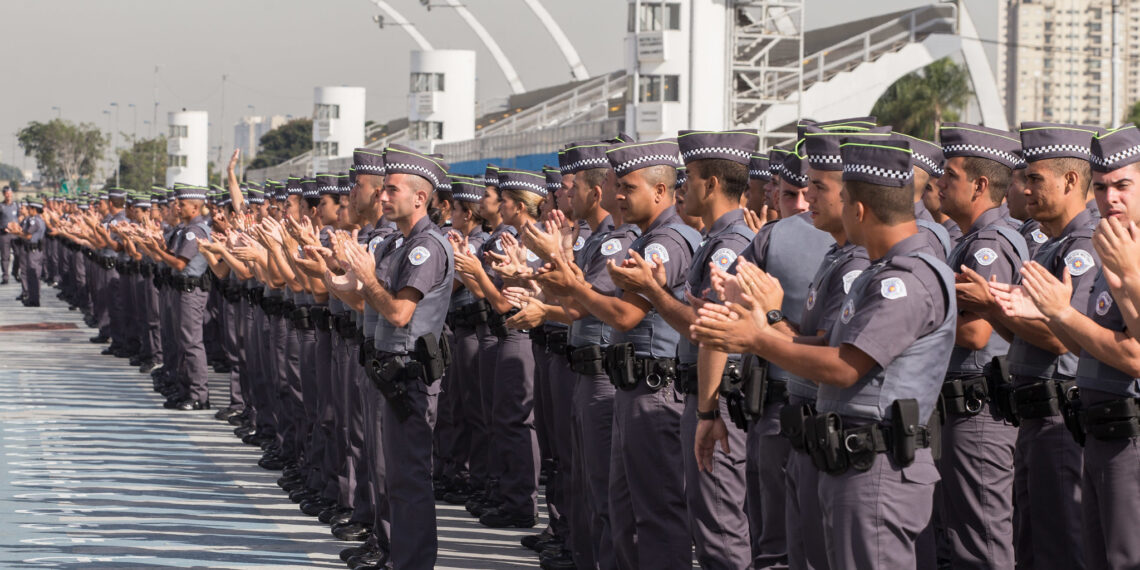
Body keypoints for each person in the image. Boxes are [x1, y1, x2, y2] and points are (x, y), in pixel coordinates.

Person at [692, 138, 956, 569]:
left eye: (832, 193)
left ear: (859, 209)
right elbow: (828, 346)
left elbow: (845, 368)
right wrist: (761, 326)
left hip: (877, 469)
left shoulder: (905, 280)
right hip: (846, 460)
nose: (808, 200)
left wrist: (758, 339)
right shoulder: (877, 271)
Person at [993, 123, 1140, 569]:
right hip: (1095, 433)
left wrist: (1060, 315)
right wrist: (1025, 312)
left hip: (1127, 439)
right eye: (1102, 187)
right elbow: (1085, 346)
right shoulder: (1108, 250)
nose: (1110, 198)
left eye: (1122, 186)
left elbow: (1134, 356)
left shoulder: (1111, 254)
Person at [970, 122, 1102, 570]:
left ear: (1069, 181)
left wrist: (993, 309)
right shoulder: (1051, 245)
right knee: (1031, 548)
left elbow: (1068, 341)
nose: (1022, 188)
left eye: (1034, 178)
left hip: (1059, 421)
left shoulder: (1080, 249)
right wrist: (996, 311)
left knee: (1059, 549)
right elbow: (1029, 338)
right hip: (1033, 416)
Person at [330, 144, 454, 570]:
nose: (382, 198)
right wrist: (330, 272)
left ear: (420, 197)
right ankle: (395, 555)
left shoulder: (426, 247)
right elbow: (366, 302)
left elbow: (400, 312)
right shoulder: (398, 245)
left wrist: (365, 278)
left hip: (410, 377)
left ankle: (412, 562)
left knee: (409, 480)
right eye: (381, 190)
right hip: (390, 373)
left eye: (391, 190)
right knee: (392, 475)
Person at [933, 122, 1029, 569]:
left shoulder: (987, 245)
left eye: (950, 174)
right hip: (966, 408)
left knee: (983, 543)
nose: (939, 181)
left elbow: (976, 332)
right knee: (964, 539)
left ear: (980, 185)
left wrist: (907, 326)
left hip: (979, 409)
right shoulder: (968, 240)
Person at [8, 198, 45, 305]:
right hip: (33, 250)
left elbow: (28, 235)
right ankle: (33, 298)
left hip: (34, 250)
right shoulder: (37, 220)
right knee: (32, 275)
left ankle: (34, 299)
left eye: (29, 208)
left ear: (34, 209)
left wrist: (15, 232)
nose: (28, 210)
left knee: (33, 276)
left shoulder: (35, 221)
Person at [0, 186, 19, 284]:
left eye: (10, 193)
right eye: (6, 193)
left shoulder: (16, 205)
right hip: (4, 234)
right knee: (5, 256)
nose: (8, 195)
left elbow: (20, 217)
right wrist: (3, 227)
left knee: (18, 254)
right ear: (3, 194)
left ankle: (15, 271)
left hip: (15, 234)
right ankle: (5, 276)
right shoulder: (1, 206)